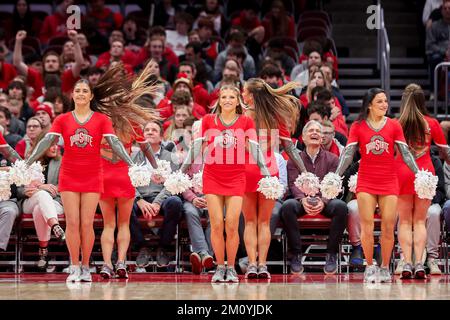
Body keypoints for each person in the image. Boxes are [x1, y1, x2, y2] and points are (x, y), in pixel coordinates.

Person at [25, 64, 153, 282]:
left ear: (91, 95)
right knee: (72, 223)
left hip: (94, 175)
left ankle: (86, 267)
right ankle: (74, 265)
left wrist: (131, 163)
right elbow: (47, 140)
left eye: (85, 91)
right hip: (69, 174)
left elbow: (114, 142)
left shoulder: (102, 120)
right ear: (72, 95)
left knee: (87, 224)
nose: (81, 94)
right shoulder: (62, 119)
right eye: (78, 91)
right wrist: (27, 161)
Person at [179, 85, 272, 283]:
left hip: (236, 176)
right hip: (212, 176)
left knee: (231, 224)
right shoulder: (207, 120)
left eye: (231, 97)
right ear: (219, 100)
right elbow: (196, 146)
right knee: (216, 224)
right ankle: (219, 267)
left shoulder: (246, 121)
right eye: (224, 97)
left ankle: (231, 267)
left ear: (238, 100)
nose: (228, 100)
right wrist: (180, 171)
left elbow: (255, 148)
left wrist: (266, 173)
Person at [335, 88, 421, 283]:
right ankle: (370, 266)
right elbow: (348, 153)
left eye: (385, 101)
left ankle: (384, 267)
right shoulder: (357, 126)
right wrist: (336, 175)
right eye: (380, 101)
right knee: (366, 227)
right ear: (369, 105)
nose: (385, 105)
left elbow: (406, 152)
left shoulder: (394, 125)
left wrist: (419, 174)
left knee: (388, 227)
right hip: (366, 179)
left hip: (389, 180)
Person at [241, 78, 307, 279]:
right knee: (263, 222)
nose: (242, 95)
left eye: (244, 91)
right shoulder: (276, 117)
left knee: (250, 222)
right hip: (270, 172)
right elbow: (290, 149)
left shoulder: (242, 117)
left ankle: (252, 264)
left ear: (251, 96)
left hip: (247, 171)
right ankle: (263, 265)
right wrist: (305, 171)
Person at [98, 62, 159, 279]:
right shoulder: (131, 122)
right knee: (123, 223)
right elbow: (147, 149)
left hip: (105, 177)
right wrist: (157, 168)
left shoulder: (98, 121)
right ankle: (121, 262)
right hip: (123, 177)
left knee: (109, 224)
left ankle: (107, 264)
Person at [396, 84, 450, 279]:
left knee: (404, 222)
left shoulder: (396, 123)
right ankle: (420, 262)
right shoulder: (431, 123)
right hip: (424, 173)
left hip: (402, 172)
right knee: (420, 221)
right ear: (422, 101)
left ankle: (407, 263)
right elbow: (445, 151)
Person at [281, 120, 348, 275]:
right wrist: (301, 199)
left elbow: (333, 185)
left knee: (341, 206)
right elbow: (292, 184)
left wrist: (323, 202)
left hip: (324, 201)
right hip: (301, 201)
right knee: (288, 206)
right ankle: (296, 254)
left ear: (322, 138)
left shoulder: (333, 159)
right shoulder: (293, 160)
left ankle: (331, 254)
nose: (315, 133)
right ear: (303, 138)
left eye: (318, 131)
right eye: (311, 130)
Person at [130, 121, 182, 270]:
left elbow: (174, 182)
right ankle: (142, 247)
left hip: (161, 197)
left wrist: (158, 202)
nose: (150, 132)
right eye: (146, 130)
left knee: (175, 202)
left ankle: (163, 248)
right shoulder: (133, 155)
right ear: (142, 135)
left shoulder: (170, 156)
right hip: (139, 198)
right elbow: (126, 182)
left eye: (154, 130)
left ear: (161, 137)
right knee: (123, 203)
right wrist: (139, 200)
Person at [19, 133, 65, 270]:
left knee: (40, 208)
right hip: (29, 201)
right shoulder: (28, 162)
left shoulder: (62, 162)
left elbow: (64, 187)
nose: (55, 148)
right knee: (42, 195)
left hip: (55, 202)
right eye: (51, 145)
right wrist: (29, 189)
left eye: (56, 144)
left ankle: (43, 252)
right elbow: (18, 186)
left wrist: (51, 189)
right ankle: (55, 227)